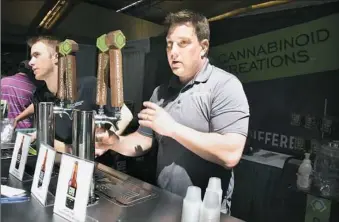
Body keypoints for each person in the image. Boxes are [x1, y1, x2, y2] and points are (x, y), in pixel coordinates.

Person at [95, 10, 250, 214]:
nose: (173, 52)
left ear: (203, 47)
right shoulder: (160, 92)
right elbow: (143, 140)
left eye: (183, 43)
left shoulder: (224, 86)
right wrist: (115, 142)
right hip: (165, 203)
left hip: (205, 210)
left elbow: (230, 153)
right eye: (169, 44)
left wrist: (172, 128)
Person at [24, 35, 132, 152]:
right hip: (57, 164)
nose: (30, 62)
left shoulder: (89, 85)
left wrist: (104, 146)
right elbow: (44, 135)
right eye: (31, 57)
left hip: (92, 166)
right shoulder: (40, 96)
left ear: (56, 57)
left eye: (36, 55)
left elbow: (125, 114)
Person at [1, 60, 36, 128]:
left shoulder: (3, 81)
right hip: (25, 129)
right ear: (31, 71)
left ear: (19, 69)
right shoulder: (33, 87)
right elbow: (35, 107)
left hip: (5, 127)